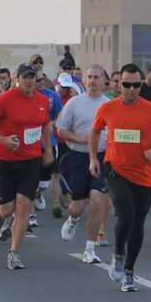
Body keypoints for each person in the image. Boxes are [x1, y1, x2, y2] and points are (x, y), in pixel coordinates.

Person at [88, 63, 151, 292]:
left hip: (143, 175)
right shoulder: (108, 108)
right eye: (126, 84)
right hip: (116, 170)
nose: (131, 89)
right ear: (119, 84)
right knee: (126, 213)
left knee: (138, 222)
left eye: (136, 85)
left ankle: (130, 271)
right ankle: (118, 254)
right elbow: (94, 131)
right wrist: (93, 159)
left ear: (141, 85)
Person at [0, 66, 54, 270]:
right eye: (25, 78)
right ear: (17, 78)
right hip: (6, 161)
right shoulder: (5, 99)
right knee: (7, 210)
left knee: (23, 206)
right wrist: (2, 139)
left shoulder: (42, 101)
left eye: (33, 77)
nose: (29, 81)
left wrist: (48, 150)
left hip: (31, 161)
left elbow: (46, 126)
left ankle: (14, 253)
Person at [54, 64, 111, 265]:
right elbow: (61, 130)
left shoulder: (110, 105)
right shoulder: (74, 103)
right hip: (78, 157)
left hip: (102, 157)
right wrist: (81, 139)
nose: (93, 80)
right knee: (77, 207)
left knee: (97, 200)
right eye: (89, 77)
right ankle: (73, 219)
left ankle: (90, 248)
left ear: (104, 81)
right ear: (85, 80)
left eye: (96, 77)